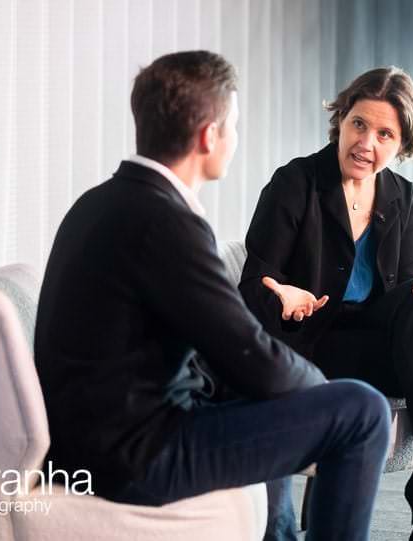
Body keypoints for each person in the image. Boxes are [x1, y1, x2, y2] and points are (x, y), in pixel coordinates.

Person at [34, 50, 391, 541]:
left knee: (262, 393)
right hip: (135, 455)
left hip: (94, 440)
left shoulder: (99, 203)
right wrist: (323, 396)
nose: (235, 139)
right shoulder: (167, 223)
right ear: (209, 136)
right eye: (234, 127)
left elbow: (221, 346)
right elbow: (251, 355)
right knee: (363, 412)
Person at [239, 66, 413, 541]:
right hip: (312, 344)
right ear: (342, 120)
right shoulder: (297, 183)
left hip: (374, 346)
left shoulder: (402, 196)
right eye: (358, 124)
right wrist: (281, 293)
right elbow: (252, 284)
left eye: (384, 133)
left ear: (402, 143)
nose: (366, 142)